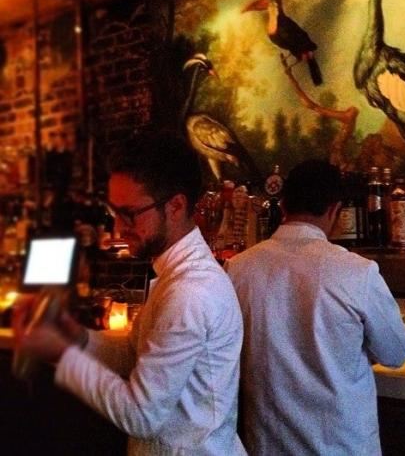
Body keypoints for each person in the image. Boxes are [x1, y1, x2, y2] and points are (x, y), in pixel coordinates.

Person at [14, 130, 246, 455]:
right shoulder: (176, 275)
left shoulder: (189, 291)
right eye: (114, 212)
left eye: (129, 214)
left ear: (176, 206)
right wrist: (78, 338)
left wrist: (62, 356)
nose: (119, 228)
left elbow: (141, 415)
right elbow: (134, 355)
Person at [224, 159, 405, 455]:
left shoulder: (238, 268)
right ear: (335, 209)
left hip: (268, 445)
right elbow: (395, 352)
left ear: (283, 205)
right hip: (341, 446)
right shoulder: (357, 272)